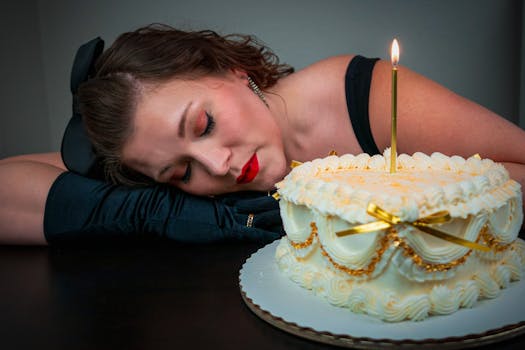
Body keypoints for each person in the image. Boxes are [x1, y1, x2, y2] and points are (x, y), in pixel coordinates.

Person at [1, 23, 525, 245]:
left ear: (231, 70)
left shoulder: (361, 95)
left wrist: (390, 201)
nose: (218, 166)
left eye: (202, 125)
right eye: (180, 171)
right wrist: (165, 209)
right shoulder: (188, 187)